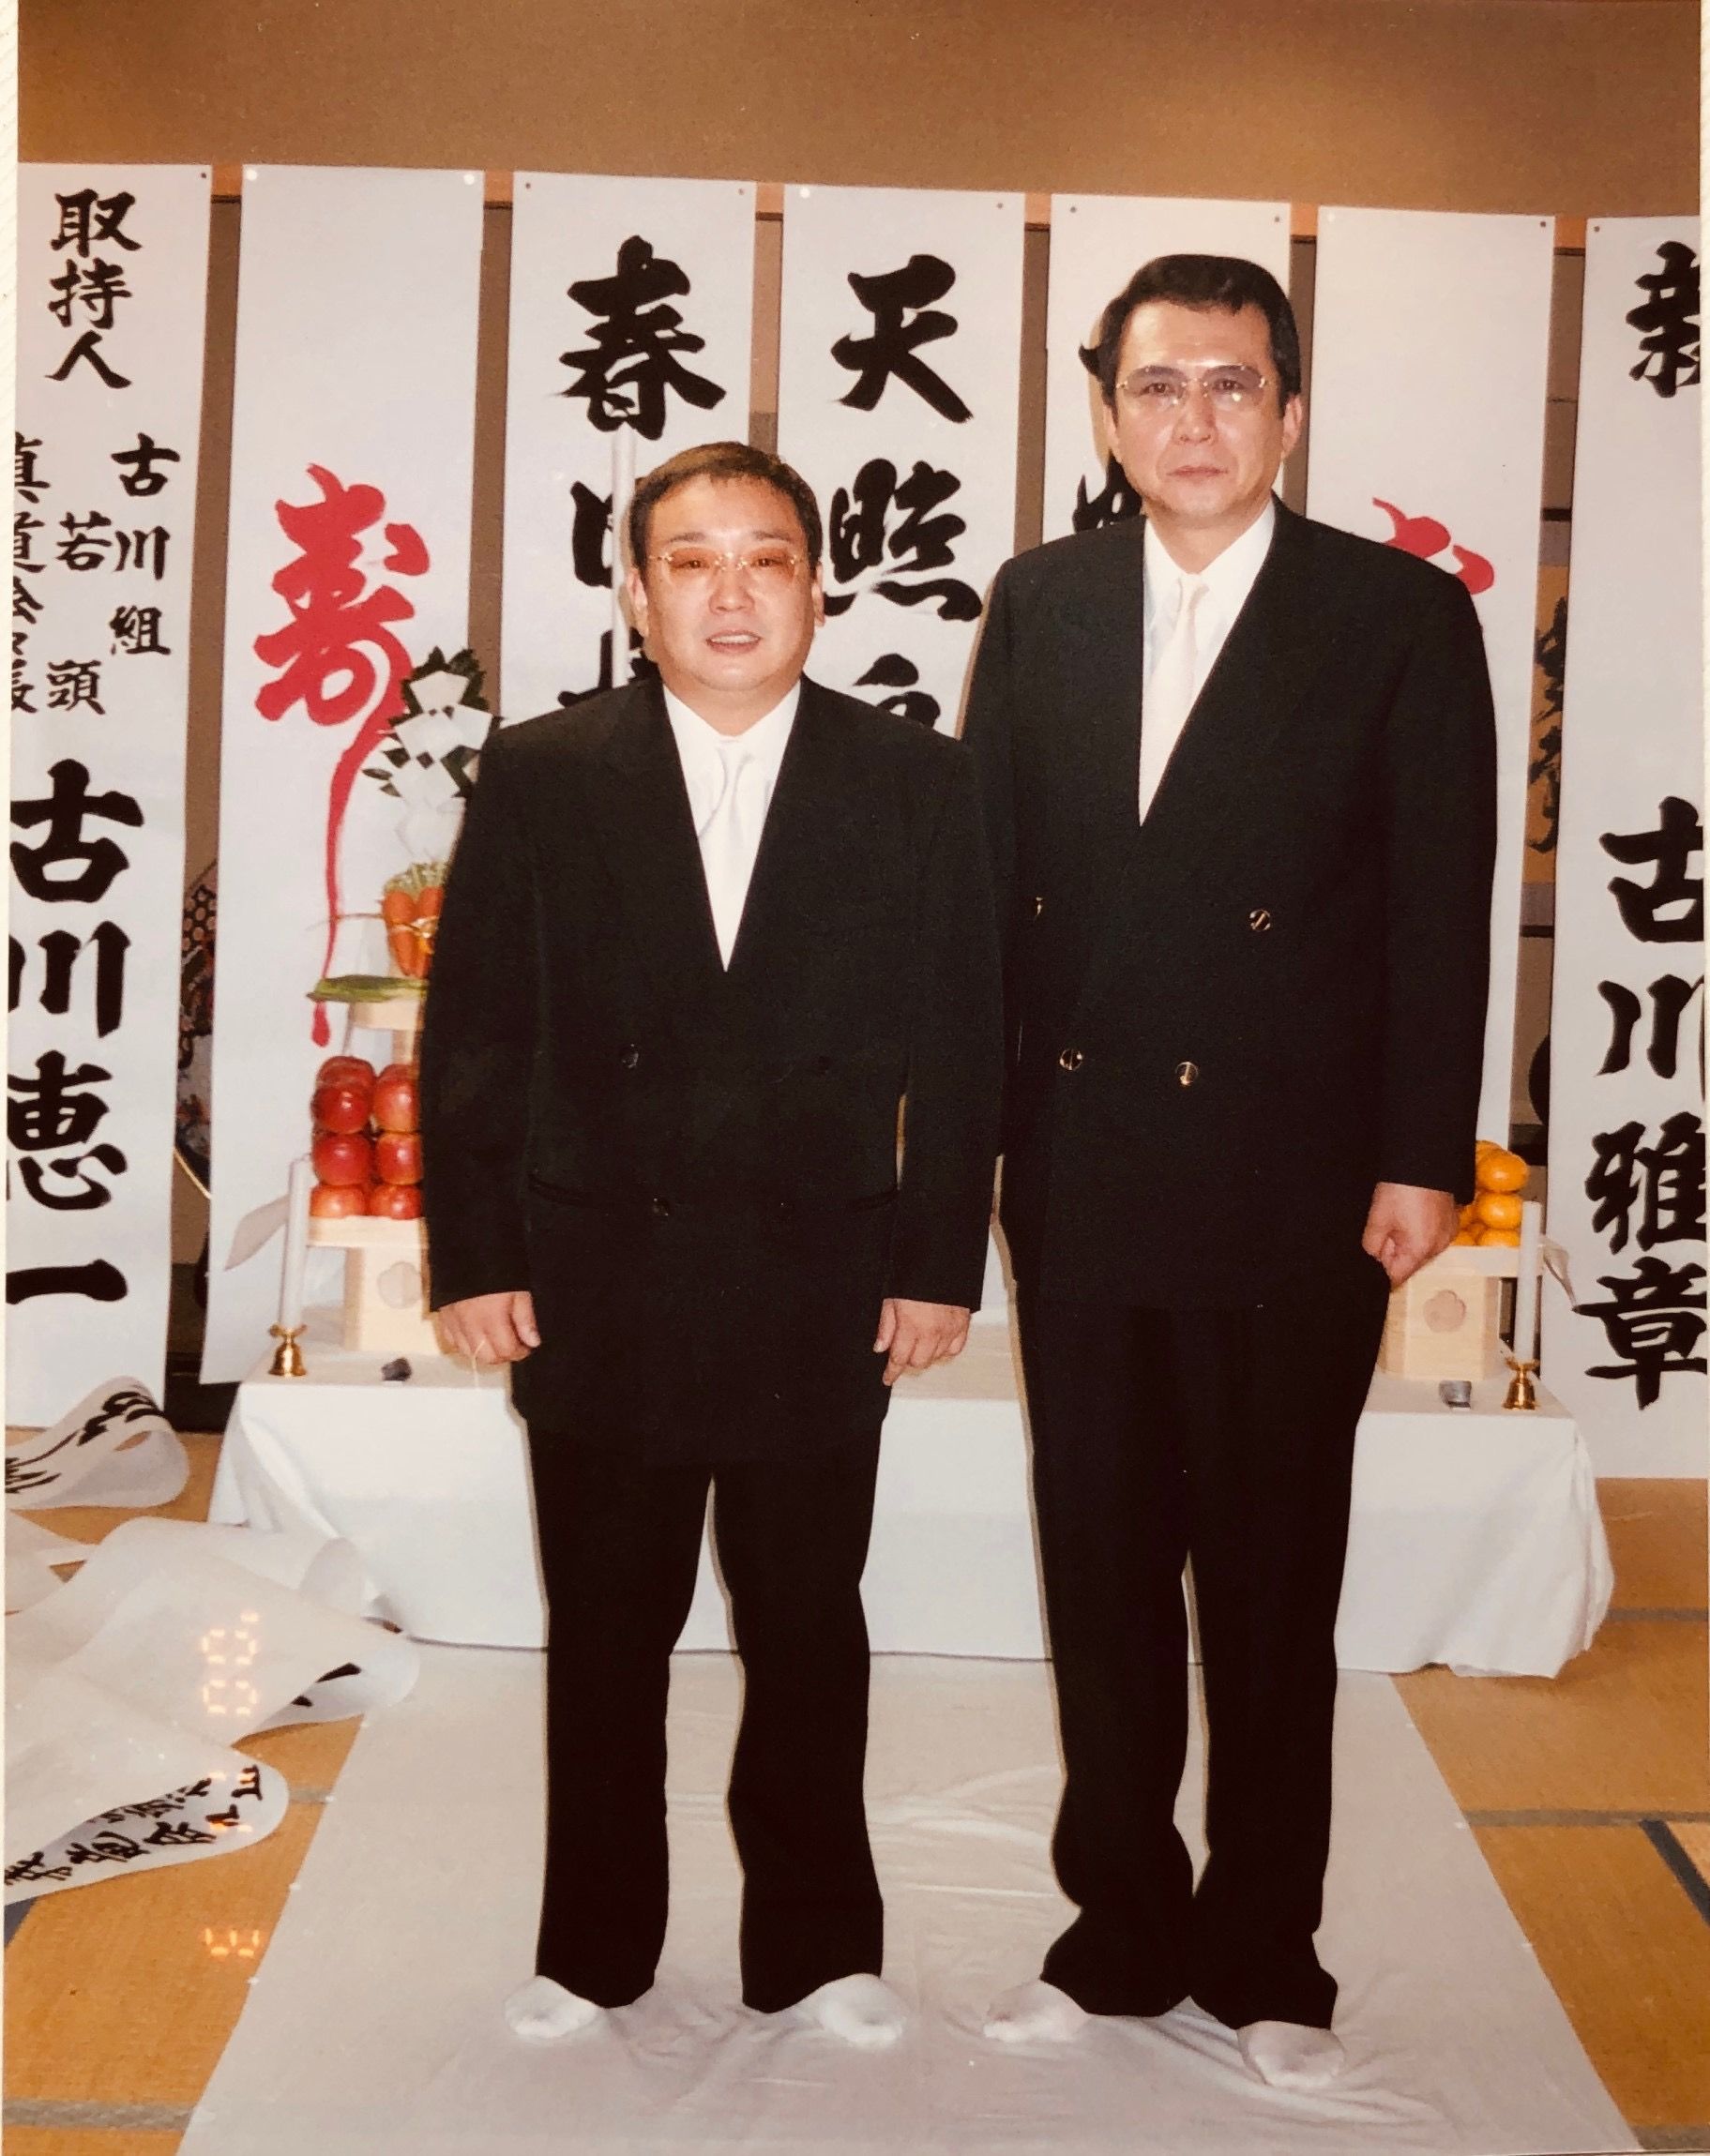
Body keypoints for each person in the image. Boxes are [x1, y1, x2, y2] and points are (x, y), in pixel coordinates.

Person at [961, 255, 1497, 2088]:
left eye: (1232, 384)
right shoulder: (1042, 601)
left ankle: (1270, 1951)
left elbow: (1438, 912)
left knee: (1271, 1577)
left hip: (1296, 1172)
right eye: (1158, 385)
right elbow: (988, 898)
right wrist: (970, 1158)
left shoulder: (1395, 617)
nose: (1194, 418)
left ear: (1291, 410)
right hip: (1085, 1160)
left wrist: (1422, 1157)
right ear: (1108, 413)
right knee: (1102, 1565)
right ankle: (1116, 1930)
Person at [418, 441, 1002, 2051]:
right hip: (598, 1278)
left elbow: (964, 1043)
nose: (731, 593)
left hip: (823, 1282)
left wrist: (936, 1261)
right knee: (607, 1632)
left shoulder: (917, 781)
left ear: (818, 587)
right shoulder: (544, 771)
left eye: (767, 558)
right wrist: (476, 1255)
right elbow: (478, 1033)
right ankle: (592, 1952)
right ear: (635, 592)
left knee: (809, 1626)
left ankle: (819, 1950)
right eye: (692, 560)